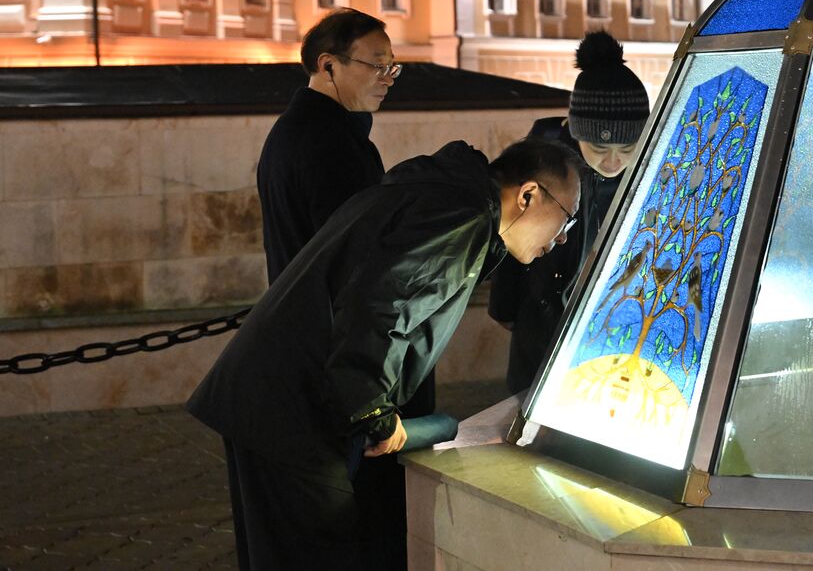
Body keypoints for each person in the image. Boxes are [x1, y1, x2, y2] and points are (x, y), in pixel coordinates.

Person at [188, 136, 584, 571]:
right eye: (567, 217)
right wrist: (374, 414)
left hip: (272, 396)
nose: (564, 237)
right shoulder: (460, 216)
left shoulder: (444, 194)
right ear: (528, 195)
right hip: (292, 411)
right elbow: (381, 306)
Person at [489, 31, 650, 393]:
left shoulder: (647, 173)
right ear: (576, 133)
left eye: (627, 148)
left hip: (612, 332)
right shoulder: (543, 167)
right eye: (599, 148)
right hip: (542, 324)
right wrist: (505, 308)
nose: (613, 161)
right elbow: (509, 237)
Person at [258, 7, 399, 285]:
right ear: (328, 66)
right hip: (328, 309)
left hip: (300, 304)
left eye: (391, 67)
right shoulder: (330, 143)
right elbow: (357, 254)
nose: (388, 78)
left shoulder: (294, 129)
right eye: (377, 66)